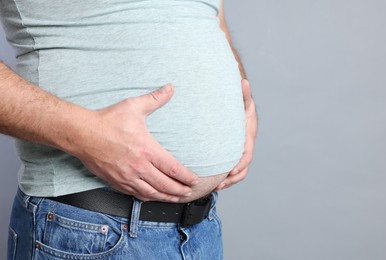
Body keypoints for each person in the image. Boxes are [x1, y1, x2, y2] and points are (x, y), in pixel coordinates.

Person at [0, 0, 258, 259]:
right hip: (91, 230)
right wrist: (86, 135)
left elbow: (210, 17)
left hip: (202, 230)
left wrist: (242, 104)